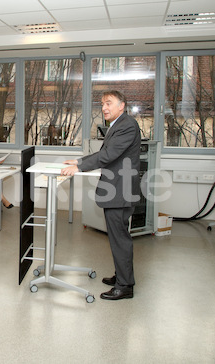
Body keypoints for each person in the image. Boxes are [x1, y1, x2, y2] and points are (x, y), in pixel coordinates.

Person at [61, 90, 141, 301]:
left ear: (121, 105)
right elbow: (105, 153)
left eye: (109, 103)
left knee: (120, 239)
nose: (104, 107)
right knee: (117, 237)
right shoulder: (117, 125)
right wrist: (79, 162)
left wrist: (80, 168)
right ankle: (122, 277)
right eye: (102, 104)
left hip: (120, 191)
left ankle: (125, 286)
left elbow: (108, 155)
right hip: (117, 189)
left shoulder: (127, 125)